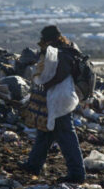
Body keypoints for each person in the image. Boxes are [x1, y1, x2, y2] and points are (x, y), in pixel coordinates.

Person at [19, 25, 86, 184]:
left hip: (61, 99)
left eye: (44, 40)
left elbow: (59, 75)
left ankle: (77, 173)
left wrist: (44, 85)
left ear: (52, 39)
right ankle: (33, 165)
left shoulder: (63, 53)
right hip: (56, 97)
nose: (42, 43)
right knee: (45, 132)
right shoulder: (64, 48)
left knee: (66, 135)